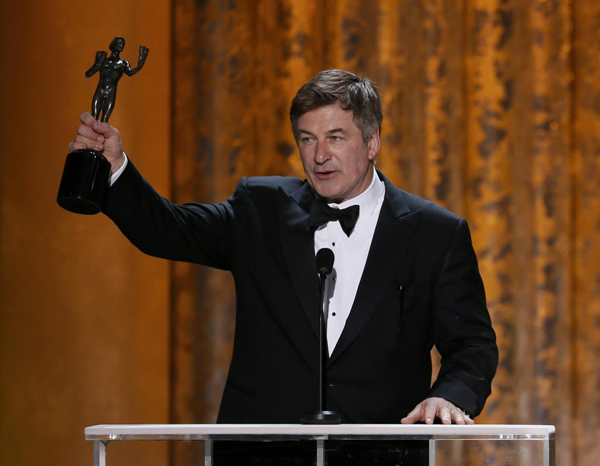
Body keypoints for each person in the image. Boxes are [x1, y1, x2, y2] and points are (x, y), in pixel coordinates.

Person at [69, 70, 498, 427]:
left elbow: (472, 346)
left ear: (372, 142)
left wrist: (449, 397)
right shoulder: (261, 209)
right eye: (307, 139)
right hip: (263, 454)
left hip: (379, 454)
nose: (319, 156)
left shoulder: (435, 233)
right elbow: (166, 229)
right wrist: (115, 169)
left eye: (335, 137)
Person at [85, 36, 149, 122]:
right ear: (112, 44)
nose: (120, 45)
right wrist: (96, 65)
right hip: (100, 89)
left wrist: (139, 66)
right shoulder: (104, 60)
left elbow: (130, 73)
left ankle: (100, 134)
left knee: (105, 120)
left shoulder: (123, 63)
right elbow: (88, 74)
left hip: (111, 91)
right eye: (118, 42)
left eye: (122, 43)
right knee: (94, 117)